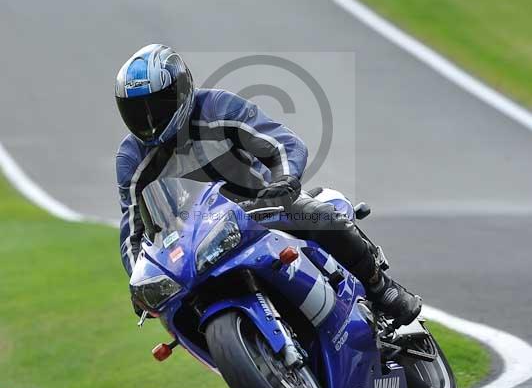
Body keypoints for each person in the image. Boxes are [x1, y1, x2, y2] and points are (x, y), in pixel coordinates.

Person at [115, 44, 422, 327]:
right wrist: (140, 281)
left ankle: (382, 288)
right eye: (136, 110)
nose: (149, 119)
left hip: (262, 209)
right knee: (178, 312)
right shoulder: (131, 159)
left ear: (182, 91)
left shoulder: (217, 108)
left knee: (317, 215)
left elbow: (282, 143)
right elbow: (133, 232)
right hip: (196, 245)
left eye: (157, 104)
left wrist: (286, 178)